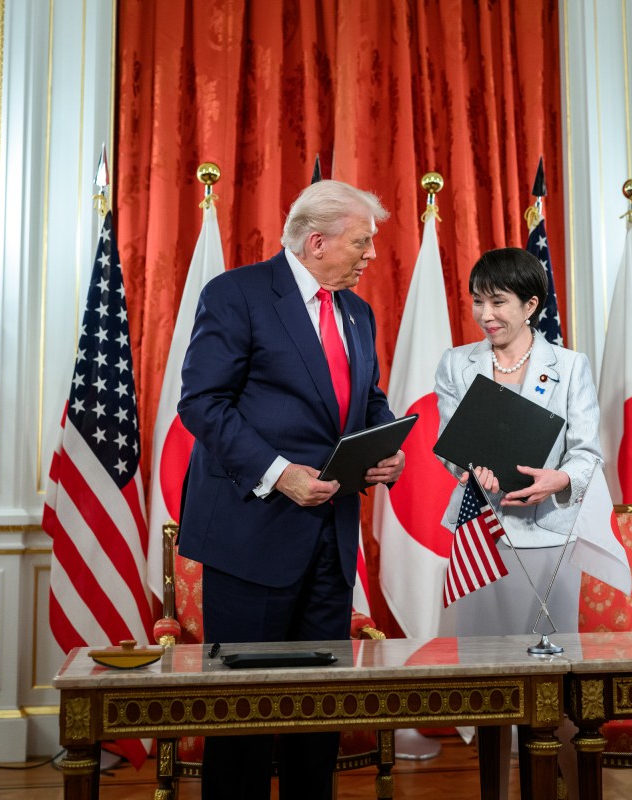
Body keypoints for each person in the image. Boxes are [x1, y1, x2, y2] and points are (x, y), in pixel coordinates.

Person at [176, 180, 405, 800]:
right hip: (253, 533)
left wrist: (388, 448)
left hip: (330, 538)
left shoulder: (358, 312)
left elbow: (368, 401)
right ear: (317, 241)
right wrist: (281, 473)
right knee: (244, 711)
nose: (370, 255)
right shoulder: (238, 295)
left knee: (318, 708)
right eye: (362, 242)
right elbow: (202, 403)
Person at [433, 247, 602, 798]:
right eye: (478, 300)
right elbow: (450, 449)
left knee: (558, 683)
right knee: (488, 686)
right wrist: (469, 466)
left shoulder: (570, 366)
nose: (486, 314)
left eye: (498, 301)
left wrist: (560, 480)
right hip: (481, 535)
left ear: (531, 304)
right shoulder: (457, 363)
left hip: (550, 536)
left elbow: (587, 452)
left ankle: (571, 790)